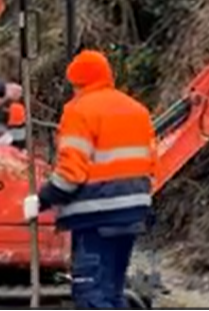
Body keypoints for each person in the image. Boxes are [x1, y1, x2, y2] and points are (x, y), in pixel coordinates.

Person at [22, 49, 156, 309]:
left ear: (77, 82)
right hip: (133, 214)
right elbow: (153, 164)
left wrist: (41, 200)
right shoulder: (138, 110)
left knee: (91, 294)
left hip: (97, 218)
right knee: (113, 292)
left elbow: (71, 174)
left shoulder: (79, 111)